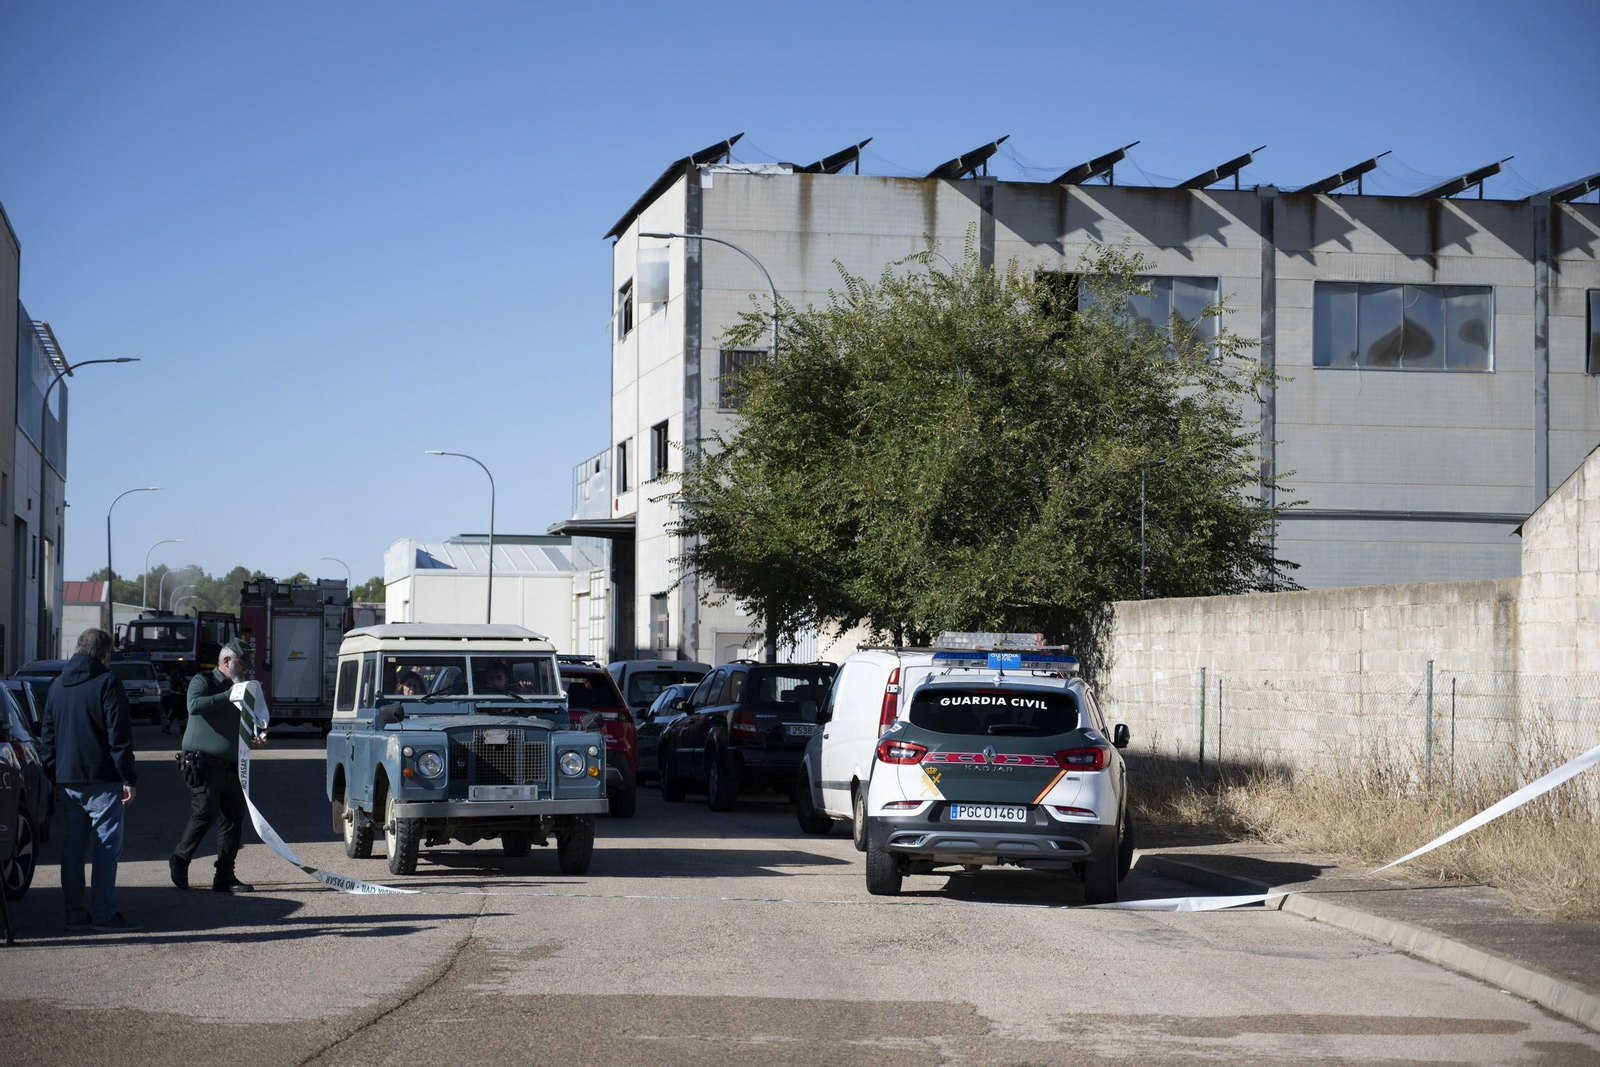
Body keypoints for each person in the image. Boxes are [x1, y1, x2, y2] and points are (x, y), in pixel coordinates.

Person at [39, 628, 140, 932]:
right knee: (106, 847)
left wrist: (53, 775)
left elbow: (48, 736)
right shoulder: (107, 682)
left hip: (68, 780)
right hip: (102, 780)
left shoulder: (57, 685)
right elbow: (118, 736)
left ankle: (74, 915)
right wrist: (128, 778)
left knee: (73, 848)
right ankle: (103, 914)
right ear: (105, 653)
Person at [170, 639, 262, 893]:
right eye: (241, 664)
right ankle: (180, 859)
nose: (245, 670)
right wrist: (227, 694)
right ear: (226, 661)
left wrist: (255, 733)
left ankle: (224, 875)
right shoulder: (203, 681)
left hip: (232, 766)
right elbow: (195, 705)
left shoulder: (243, 688)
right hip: (203, 763)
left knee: (233, 819)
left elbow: (245, 720)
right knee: (205, 813)